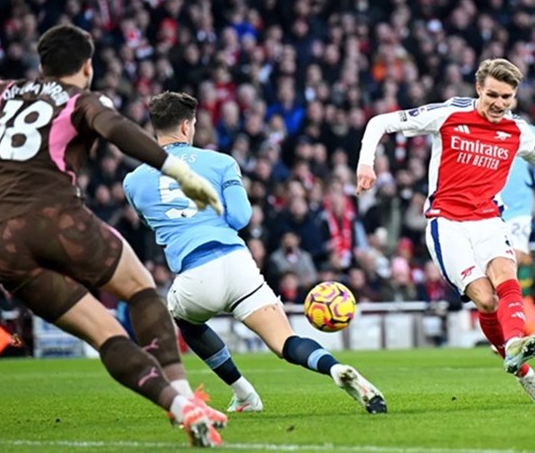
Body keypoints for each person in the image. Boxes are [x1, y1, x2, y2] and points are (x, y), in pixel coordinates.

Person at [0, 24, 227, 447]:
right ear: (87, 66)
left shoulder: (7, 91)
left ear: (42, 65)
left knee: (106, 334)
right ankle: (182, 393)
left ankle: (180, 409)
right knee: (142, 292)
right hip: (55, 219)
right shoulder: (82, 99)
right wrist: (177, 170)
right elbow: (117, 129)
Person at [356, 58, 535, 404]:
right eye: (493, 95)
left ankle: (512, 348)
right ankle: (525, 371)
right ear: (479, 89)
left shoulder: (517, 131)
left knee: (507, 277)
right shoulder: (449, 113)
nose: (499, 104)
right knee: (486, 300)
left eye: (507, 97)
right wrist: (366, 163)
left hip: (489, 220)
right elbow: (380, 122)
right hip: (446, 224)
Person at [124, 91, 387, 415]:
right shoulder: (221, 162)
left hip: (194, 275)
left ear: (155, 128)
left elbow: (152, 222)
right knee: (285, 342)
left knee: (183, 317)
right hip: (237, 264)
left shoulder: (133, 181)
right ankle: (334, 369)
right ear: (186, 128)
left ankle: (244, 392)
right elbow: (240, 218)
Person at [500, 123, 535, 288]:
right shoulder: (477, 130)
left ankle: (509, 301)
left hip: (519, 206)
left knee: (515, 255)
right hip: (488, 206)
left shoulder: (527, 130)